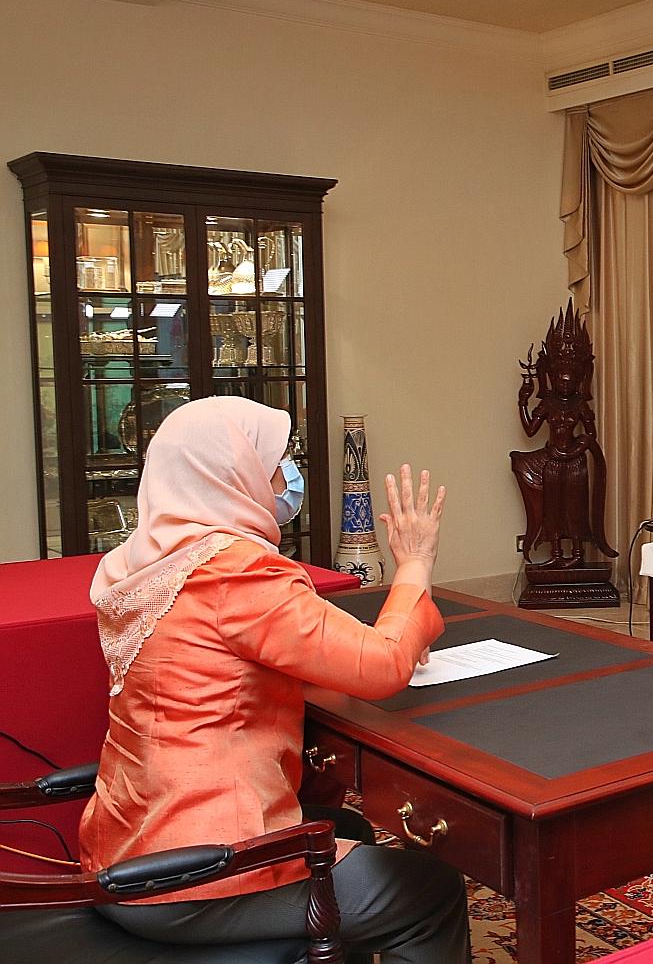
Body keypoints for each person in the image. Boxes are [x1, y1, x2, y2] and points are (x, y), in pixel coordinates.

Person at [81, 397, 469, 963]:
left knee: (347, 827)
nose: (286, 475)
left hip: (125, 845)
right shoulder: (233, 570)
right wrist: (414, 562)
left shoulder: (140, 564)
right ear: (231, 473)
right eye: (274, 461)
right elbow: (382, 666)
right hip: (198, 871)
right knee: (430, 890)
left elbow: (215, 665)